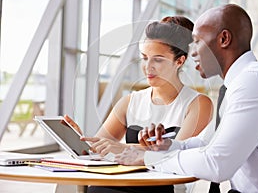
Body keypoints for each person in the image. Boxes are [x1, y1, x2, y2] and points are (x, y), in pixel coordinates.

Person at [115, 4, 258, 193]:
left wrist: (149, 159)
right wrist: (166, 146)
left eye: (196, 41)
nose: (191, 51)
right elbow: (206, 143)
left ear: (224, 39)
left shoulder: (255, 82)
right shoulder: (237, 85)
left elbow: (217, 164)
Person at [65, 15, 213, 193]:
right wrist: (79, 140)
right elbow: (99, 151)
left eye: (157, 59)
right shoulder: (129, 102)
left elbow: (176, 155)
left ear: (179, 61)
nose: (148, 67)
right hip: (126, 181)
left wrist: (123, 148)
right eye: (144, 58)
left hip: (165, 187)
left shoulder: (198, 104)